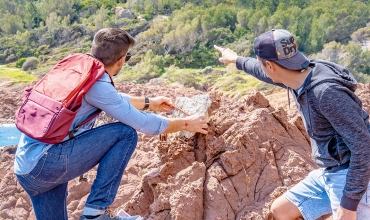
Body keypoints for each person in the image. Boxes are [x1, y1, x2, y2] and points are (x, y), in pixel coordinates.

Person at [14, 28, 208, 220]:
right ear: (121, 60)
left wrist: (151, 103)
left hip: (26, 168)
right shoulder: (97, 82)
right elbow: (142, 123)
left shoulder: (79, 71)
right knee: (125, 133)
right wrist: (185, 124)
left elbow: (113, 99)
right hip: (46, 163)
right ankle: (95, 214)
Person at [214, 29, 370, 220]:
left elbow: (364, 148)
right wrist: (235, 59)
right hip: (329, 170)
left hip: (352, 175)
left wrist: (348, 205)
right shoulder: (299, 76)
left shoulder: (326, 93)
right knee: (281, 211)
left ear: (270, 66)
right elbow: (261, 71)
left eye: (264, 65)